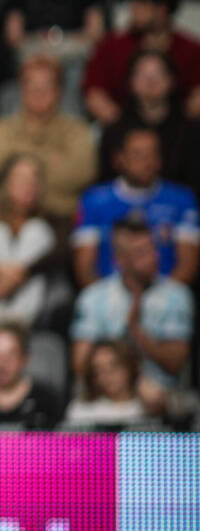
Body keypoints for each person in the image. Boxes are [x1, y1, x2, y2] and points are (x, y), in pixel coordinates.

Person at [70, 217, 193, 403]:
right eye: (141, 253)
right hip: (104, 395)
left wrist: (137, 333)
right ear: (120, 259)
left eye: (153, 249)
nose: (152, 258)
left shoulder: (176, 296)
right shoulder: (94, 297)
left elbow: (176, 363)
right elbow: (80, 363)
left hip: (162, 397)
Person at [0, 54, 97, 224]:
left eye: (46, 86)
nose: (39, 92)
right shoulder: (2, 127)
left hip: (59, 217)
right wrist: (52, 158)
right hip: (0, 217)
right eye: (32, 85)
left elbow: (82, 173)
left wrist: (21, 166)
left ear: (59, 91)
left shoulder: (77, 130)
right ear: (21, 89)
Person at [73, 128, 199, 288]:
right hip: (107, 292)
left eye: (153, 154)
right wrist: (107, 297)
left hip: (167, 292)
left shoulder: (181, 199)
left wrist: (162, 296)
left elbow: (188, 264)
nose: (147, 162)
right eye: (138, 154)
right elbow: (84, 268)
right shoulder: (94, 200)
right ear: (119, 159)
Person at [82, 0, 200, 124]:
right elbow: (94, 92)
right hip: (123, 127)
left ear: (162, 10)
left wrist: (179, 127)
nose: (133, 11)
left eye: (141, 5)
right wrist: (122, 126)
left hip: (178, 128)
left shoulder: (191, 50)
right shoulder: (111, 47)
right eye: (133, 4)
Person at [0, 156, 57, 328]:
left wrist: (22, 272)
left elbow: (58, 255)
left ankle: (19, 322)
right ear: (7, 183)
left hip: (32, 299)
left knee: (36, 231)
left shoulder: (52, 220)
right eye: (22, 180)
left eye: (34, 180)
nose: (28, 186)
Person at [97, 49, 200, 190]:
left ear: (171, 80)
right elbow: (106, 186)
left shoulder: (191, 132)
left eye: (158, 74)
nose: (150, 82)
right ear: (130, 82)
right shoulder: (114, 132)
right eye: (142, 75)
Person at [62, 340, 159, 430]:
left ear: (129, 366)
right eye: (99, 370)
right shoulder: (81, 410)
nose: (107, 375)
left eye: (114, 366)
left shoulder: (148, 407)